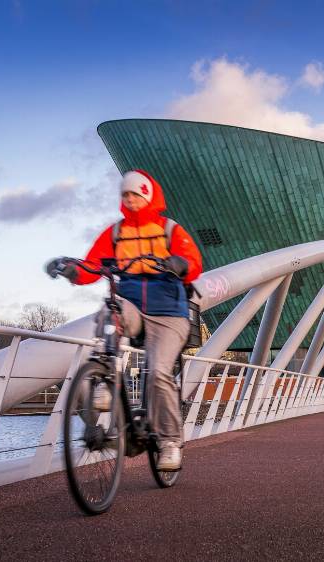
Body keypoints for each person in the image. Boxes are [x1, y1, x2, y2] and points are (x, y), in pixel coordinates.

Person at [46, 170, 202, 471]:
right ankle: (105, 375)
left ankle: (170, 442)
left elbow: (193, 262)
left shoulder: (169, 230)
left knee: (158, 373)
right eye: (125, 195)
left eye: (135, 195)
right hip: (131, 304)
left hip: (168, 312)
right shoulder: (116, 233)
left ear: (147, 196)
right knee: (109, 309)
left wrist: (179, 264)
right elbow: (93, 266)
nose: (129, 200)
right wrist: (71, 270)